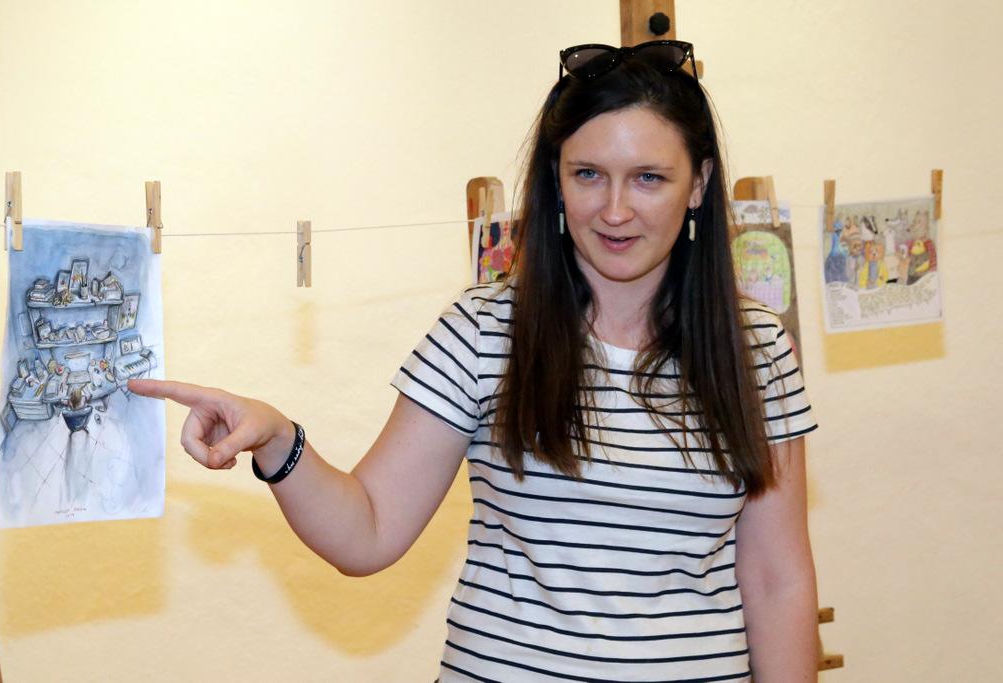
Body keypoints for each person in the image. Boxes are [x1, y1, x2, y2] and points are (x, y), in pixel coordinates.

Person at [130, 39, 819, 682]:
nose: (615, 210)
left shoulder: (757, 352)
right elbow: (367, 532)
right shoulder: (486, 330)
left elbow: (777, 579)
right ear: (556, 180)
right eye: (588, 174)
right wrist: (279, 439)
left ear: (698, 184)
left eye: (648, 178)